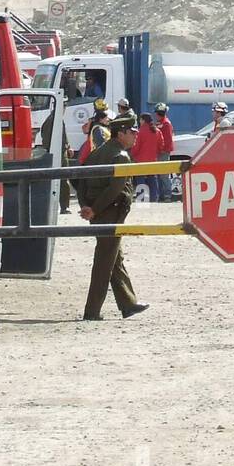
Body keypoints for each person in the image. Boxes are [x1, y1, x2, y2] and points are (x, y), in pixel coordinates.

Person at [78, 115, 151, 321]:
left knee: (114, 258)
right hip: (110, 213)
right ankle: (92, 311)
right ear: (121, 134)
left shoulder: (96, 154)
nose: (135, 136)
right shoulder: (121, 156)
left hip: (98, 213)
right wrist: (94, 209)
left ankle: (128, 303)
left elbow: (80, 179)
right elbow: (114, 190)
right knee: (104, 262)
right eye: (132, 132)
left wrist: (86, 205)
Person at [130, 111, 163, 202]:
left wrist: (132, 155)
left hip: (141, 160)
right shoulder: (157, 131)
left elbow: (136, 146)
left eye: (140, 119)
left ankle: (142, 198)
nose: (139, 121)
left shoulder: (140, 132)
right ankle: (154, 198)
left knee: (141, 180)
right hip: (152, 159)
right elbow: (161, 145)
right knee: (152, 180)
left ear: (143, 120)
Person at [153, 103, 174, 201]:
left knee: (164, 175)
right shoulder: (158, 123)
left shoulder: (166, 124)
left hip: (164, 153)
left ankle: (167, 196)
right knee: (158, 175)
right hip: (158, 152)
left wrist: (161, 150)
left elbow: (168, 140)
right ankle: (161, 195)